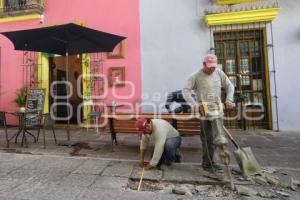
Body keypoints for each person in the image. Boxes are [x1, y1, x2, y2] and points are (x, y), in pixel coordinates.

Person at [182, 54, 235, 172]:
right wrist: (193, 104)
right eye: (210, 66)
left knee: (219, 138)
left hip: (218, 111)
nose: (212, 69)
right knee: (208, 139)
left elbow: (230, 86)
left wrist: (229, 99)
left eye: (214, 67)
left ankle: (212, 161)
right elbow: (185, 90)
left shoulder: (219, 73)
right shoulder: (196, 76)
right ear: (204, 64)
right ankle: (208, 163)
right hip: (204, 112)